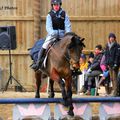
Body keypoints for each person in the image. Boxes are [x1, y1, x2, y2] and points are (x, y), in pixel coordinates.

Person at [31, 0, 71, 70]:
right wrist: (53, 33)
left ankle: (74, 66)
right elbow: (48, 27)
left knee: (71, 46)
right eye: (54, 5)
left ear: (60, 5)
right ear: (52, 5)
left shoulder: (64, 14)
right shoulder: (49, 15)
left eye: (57, 5)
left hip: (62, 35)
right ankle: (38, 63)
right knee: (44, 45)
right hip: (52, 35)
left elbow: (68, 25)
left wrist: (68, 34)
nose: (56, 6)